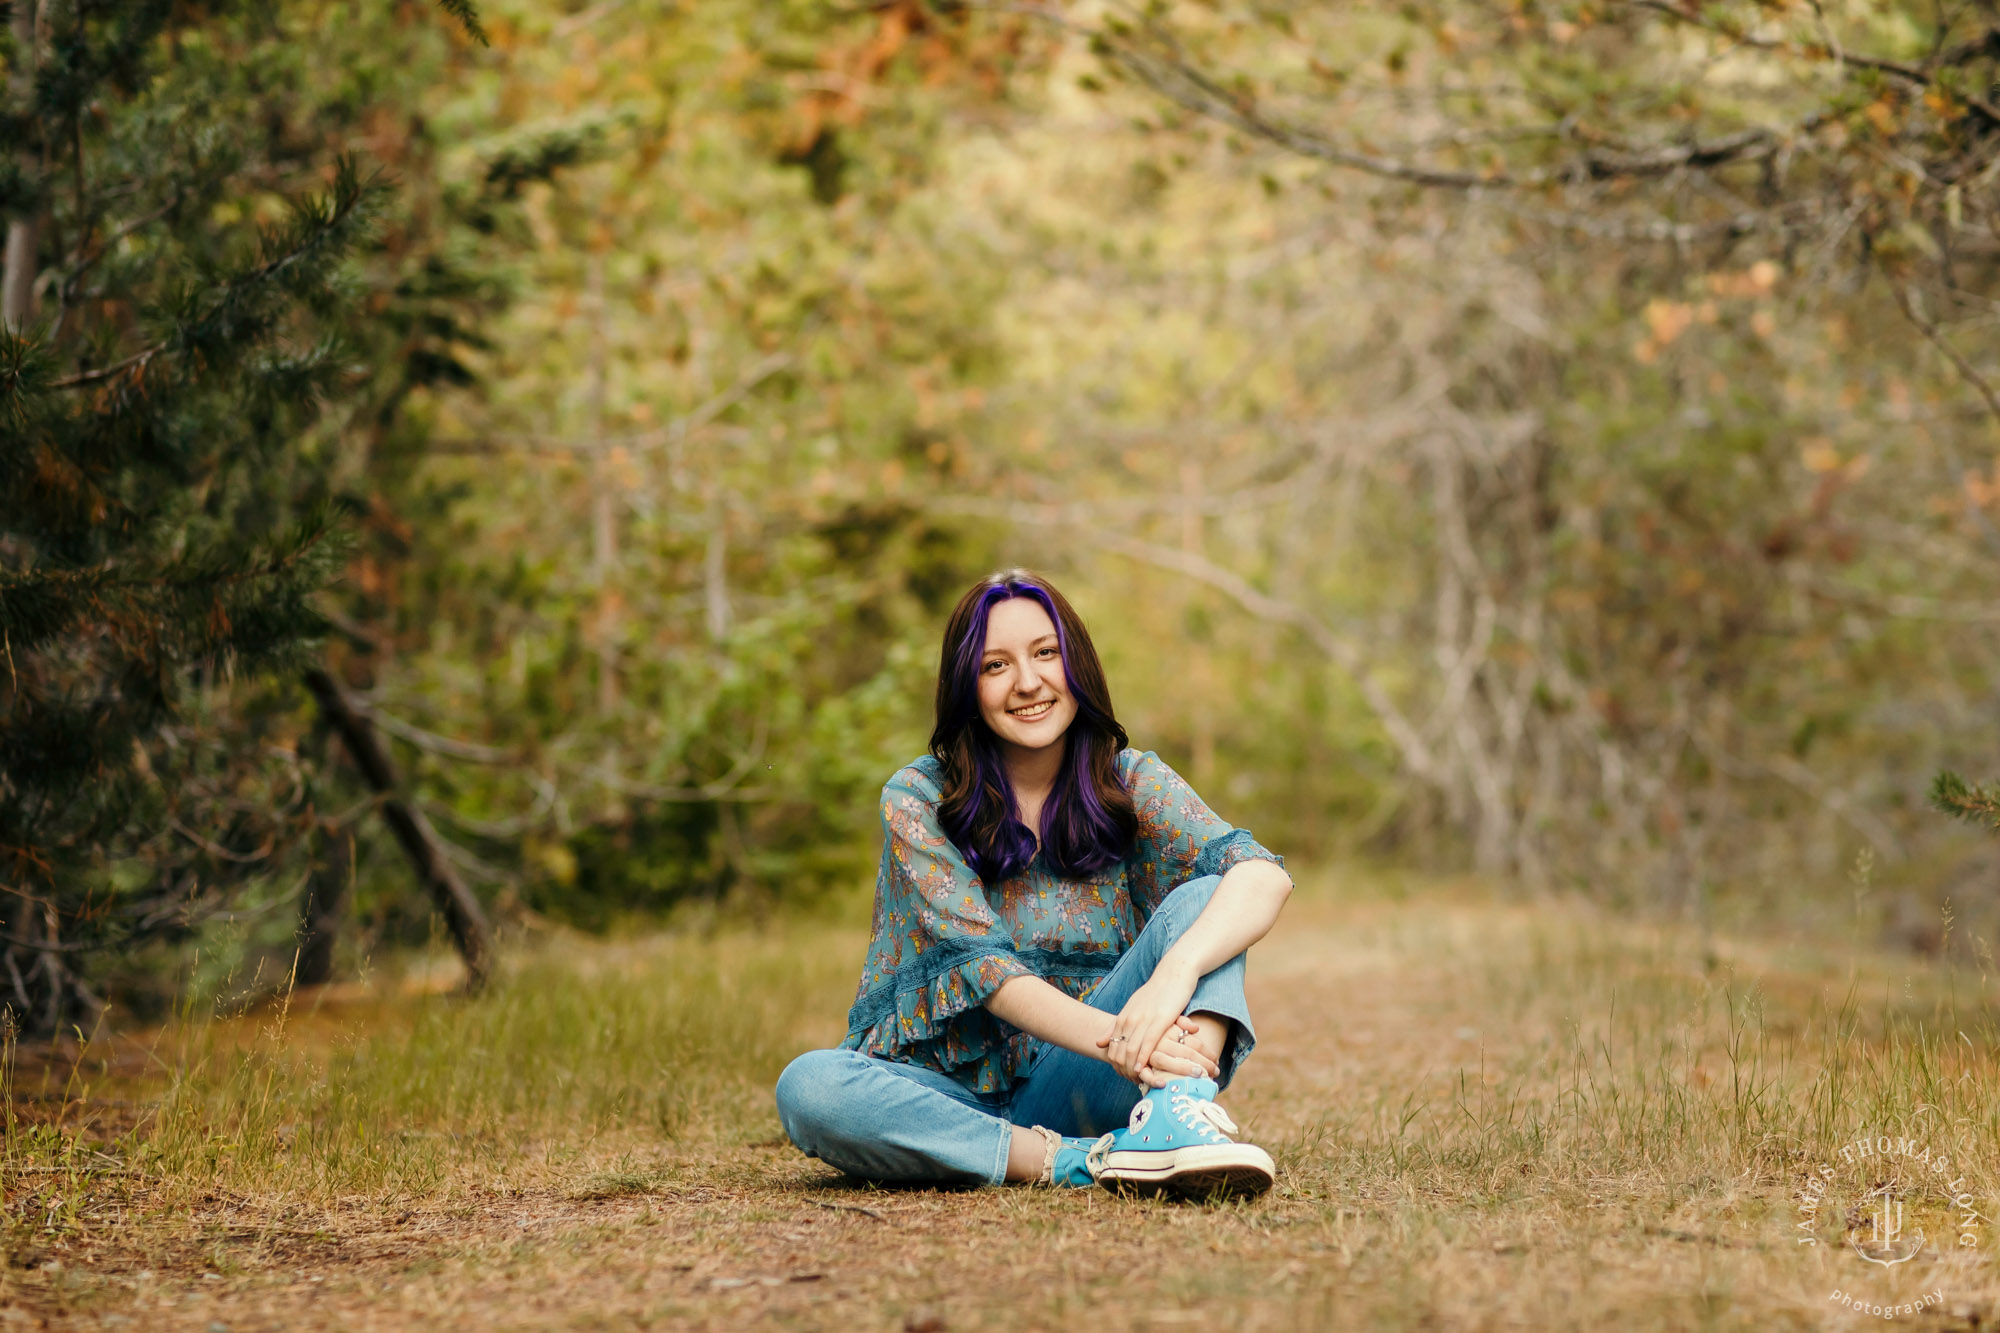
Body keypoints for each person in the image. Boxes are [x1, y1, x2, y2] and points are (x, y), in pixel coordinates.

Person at [774, 568, 1293, 1197]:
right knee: (811, 1088)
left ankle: (1174, 1112)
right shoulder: (919, 798)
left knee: (1213, 898)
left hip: (1083, 1081)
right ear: (968, 686)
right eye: (996, 666)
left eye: (1046, 653)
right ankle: (1083, 1160)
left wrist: (1172, 977)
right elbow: (990, 977)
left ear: (1076, 663)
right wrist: (1133, 1039)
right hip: (945, 1099)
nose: (1027, 683)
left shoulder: (1128, 778)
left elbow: (1263, 875)